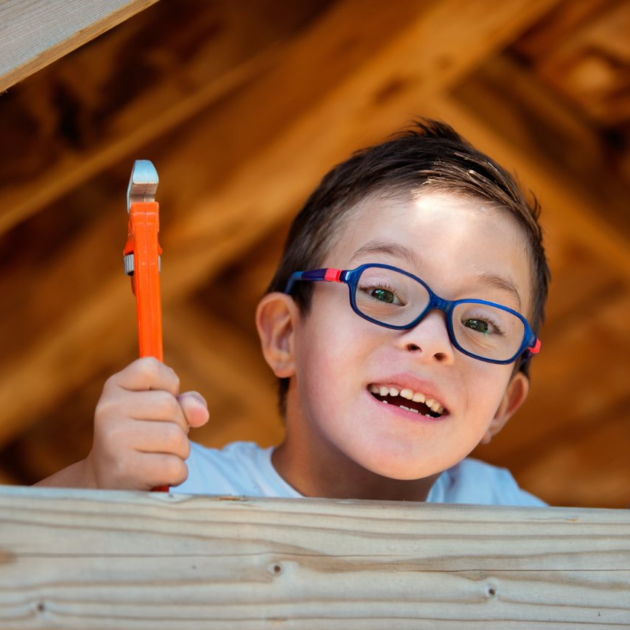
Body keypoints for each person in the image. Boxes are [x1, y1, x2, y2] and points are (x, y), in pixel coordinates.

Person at [36, 120, 550, 506]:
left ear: (505, 404)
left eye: (481, 324)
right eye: (386, 293)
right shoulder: (171, 488)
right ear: (286, 335)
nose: (431, 339)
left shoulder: (512, 518)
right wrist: (95, 483)